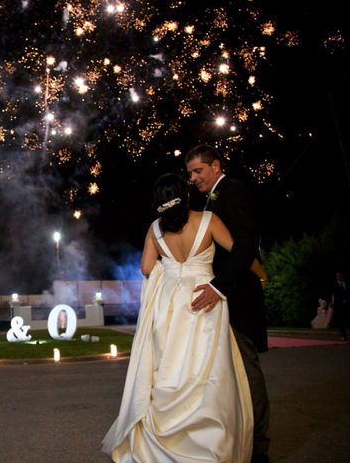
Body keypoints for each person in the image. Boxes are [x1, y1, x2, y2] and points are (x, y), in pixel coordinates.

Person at [102, 173, 253, 462]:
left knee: (168, 366)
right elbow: (237, 253)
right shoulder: (208, 220)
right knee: (205, 367)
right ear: (184, 194)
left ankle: (161, 436)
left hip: (168, 304)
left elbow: (146, 268)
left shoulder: (154, 229)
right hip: (203, 296)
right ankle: (208, 440)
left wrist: (170, 271)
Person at [185, 144, 270, 462]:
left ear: (216, 166)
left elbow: (246, 243)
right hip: (226, 296)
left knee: (247, 371)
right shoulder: (211, 198)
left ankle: (259, 447)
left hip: (239, 296)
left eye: (198, 170)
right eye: (190, 173)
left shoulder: (233, 191)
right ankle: (242, 439)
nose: (194, 178)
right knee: (231, 373)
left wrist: (218, 287)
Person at [331, 270, 348, 340]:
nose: (338, 277)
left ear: (342, 276)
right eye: (337, 276)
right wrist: (332, 303)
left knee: (345, 320)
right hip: (338, 305)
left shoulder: (346, 284)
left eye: (340, 275)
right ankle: (343, 335)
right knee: (340, 320)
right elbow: (333, 295)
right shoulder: (335, 285)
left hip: (346, 305)